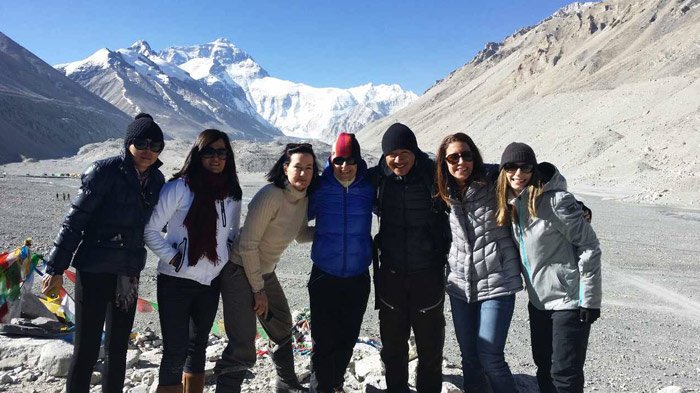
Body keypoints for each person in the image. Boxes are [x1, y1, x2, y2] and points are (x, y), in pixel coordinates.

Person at [41, 113, 165, 393]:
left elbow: (160, 222)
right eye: (142, 143)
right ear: (129, 143)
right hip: (95, 269)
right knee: (86, 347)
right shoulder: (104, 171)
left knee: (118, 349)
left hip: (128, 273)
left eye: (156, 145)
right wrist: (55, 268)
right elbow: (75, 221)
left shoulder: (157, 180)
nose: (148, 151)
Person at [495, 142, 602, 393]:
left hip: (569, 301)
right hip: (538, 302)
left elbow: (589, 246)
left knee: (564, 374)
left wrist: (590, 299)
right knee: (544, 367)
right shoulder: (513, 203)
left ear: (534, 170)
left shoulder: (555, 202)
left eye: (525, 167)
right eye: (511, 167)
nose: (518, 174)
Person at [215, 143, 319, 393]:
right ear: (285, 168)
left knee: (282, 325)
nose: (303, 174)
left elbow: (300, 234)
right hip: (240, 270)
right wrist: (258, 290)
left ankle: (286, 383)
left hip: (264, 272)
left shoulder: (303, 199)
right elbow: (248, 245)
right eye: (298, 167)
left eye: (309, 168)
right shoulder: (270, 195)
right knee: (243, 345)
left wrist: (333, 231)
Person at [144, 129, 242, 393]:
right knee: (175, 350)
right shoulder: (178, 188)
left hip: (210, 282)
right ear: (198, 154)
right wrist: (174, 258)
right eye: (209, 151)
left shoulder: (232, 193)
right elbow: (150, 230)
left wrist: (222, 260)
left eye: (222, 152)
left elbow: (232, 233)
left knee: (198, 347)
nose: (216, 158)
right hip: (175, 281)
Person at [434, 133, 522, 392]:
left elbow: (533, 181)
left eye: (466, 155)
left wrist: (578, 205)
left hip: (497, 282)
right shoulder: (443, 192)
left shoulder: (494, 182)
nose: (461, 161)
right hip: (461, 287)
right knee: (469, 358)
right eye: (453, 157)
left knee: (491, 356)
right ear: (444, 163)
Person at [369, 123, 451, 393]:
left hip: (427, 274)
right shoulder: (377, 178)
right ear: (384, 156)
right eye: (392, 153)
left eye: (405, 151)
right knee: (393, 347)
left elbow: (480, 175)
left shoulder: (435, 174)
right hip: (390, 275)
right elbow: (340, 179)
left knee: (430, 348)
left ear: (415, 151)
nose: (398, 159)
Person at [307, 133, 374, 393]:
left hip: (358, 274)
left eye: (351, 160)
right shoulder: (319, 188)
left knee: (347, 337)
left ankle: (335, 384)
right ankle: (321, 388)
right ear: (331, 161)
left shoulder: (369, 188)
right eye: (339, 160)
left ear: (359, 162)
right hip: (325, 272)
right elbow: (294, 210)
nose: (345, 167)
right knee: (323, 340)